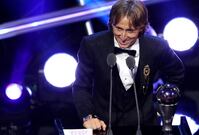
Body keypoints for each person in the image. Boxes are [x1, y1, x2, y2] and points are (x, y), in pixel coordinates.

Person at [72, 0, 184, 131]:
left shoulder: (157, 46)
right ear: (111, 24)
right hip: (103, 127)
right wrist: (88, 117)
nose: (123, 37)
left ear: (142, 28)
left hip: (146, 126)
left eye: (130, 31)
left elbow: (177, 74)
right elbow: (81, 86)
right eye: (118, 28)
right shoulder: (92, 45)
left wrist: (160, 106)